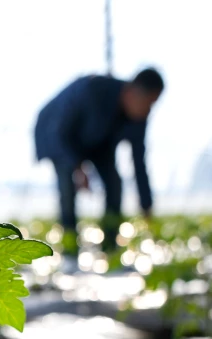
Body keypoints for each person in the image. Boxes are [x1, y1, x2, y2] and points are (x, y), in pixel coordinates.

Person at [35, 68, 164, 257]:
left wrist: (146, 205)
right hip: (57, 133)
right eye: (146, 102)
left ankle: (110, 247)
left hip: (98, 145)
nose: (148, 110)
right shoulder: (94, 90)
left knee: (114, 183)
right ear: (131, 93)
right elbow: (62, 131)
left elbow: (139, 163)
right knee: (67, 185)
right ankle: (70, 249)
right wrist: (79, 167)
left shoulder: (139, 118)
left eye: (152, 104)